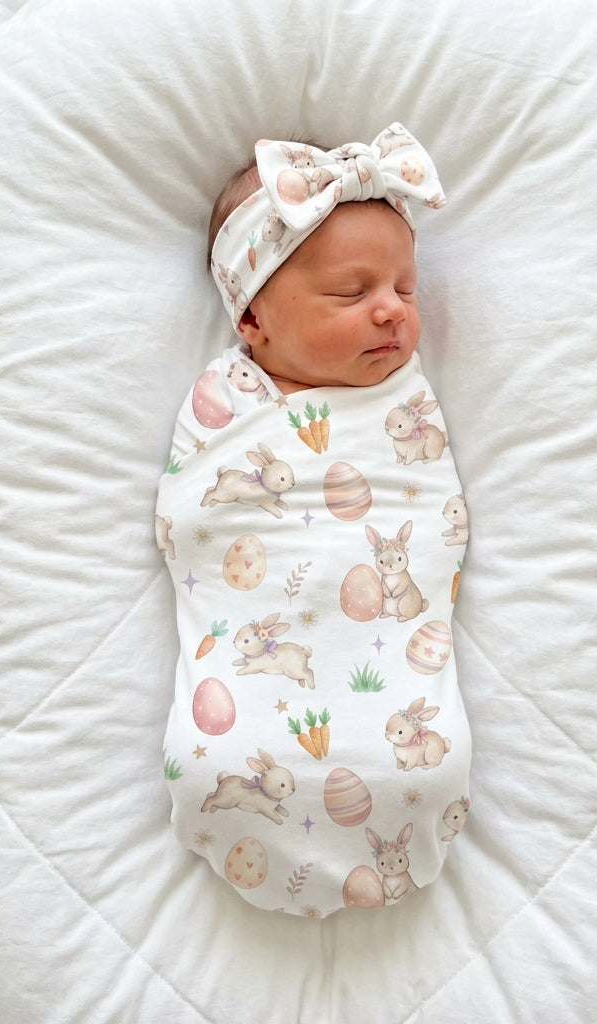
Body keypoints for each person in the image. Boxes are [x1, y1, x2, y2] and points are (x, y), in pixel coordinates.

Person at [155, 124, 471, 917]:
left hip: (393, 691)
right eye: (350, 293)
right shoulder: (223, 408)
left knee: (421, 753)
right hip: (249, 688)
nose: (390, 313)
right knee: (216, 753)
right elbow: (189, 518)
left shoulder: (403, 403)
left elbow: (434, 513)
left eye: (404, 290)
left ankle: (417, 780)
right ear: (254, 321)